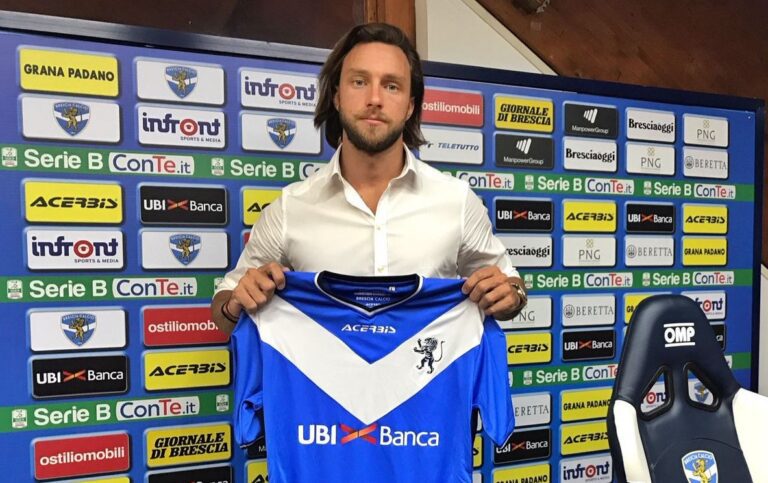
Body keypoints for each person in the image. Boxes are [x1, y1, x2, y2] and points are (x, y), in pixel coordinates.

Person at [211, 22, 527, 333]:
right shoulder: (290, 208)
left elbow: (511, 287)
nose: (374, 99)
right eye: (359, 81)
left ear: (409, 106)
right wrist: (235, 303)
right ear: (337, 97)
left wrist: (510, 295)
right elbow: (225, 306)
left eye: (392, 86)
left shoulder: (456, 201)